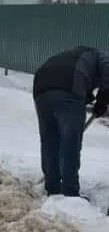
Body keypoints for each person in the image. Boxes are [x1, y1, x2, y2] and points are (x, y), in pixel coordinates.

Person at [33, 46, 109, 198]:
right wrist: (103, 98)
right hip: (69, 88)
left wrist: (90, 98)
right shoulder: (102, 56)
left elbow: (81, 81)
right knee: (70, 142)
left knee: (50, 140)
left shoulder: (78, 55)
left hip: (41, 86)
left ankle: (52, 187)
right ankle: (70, 193)